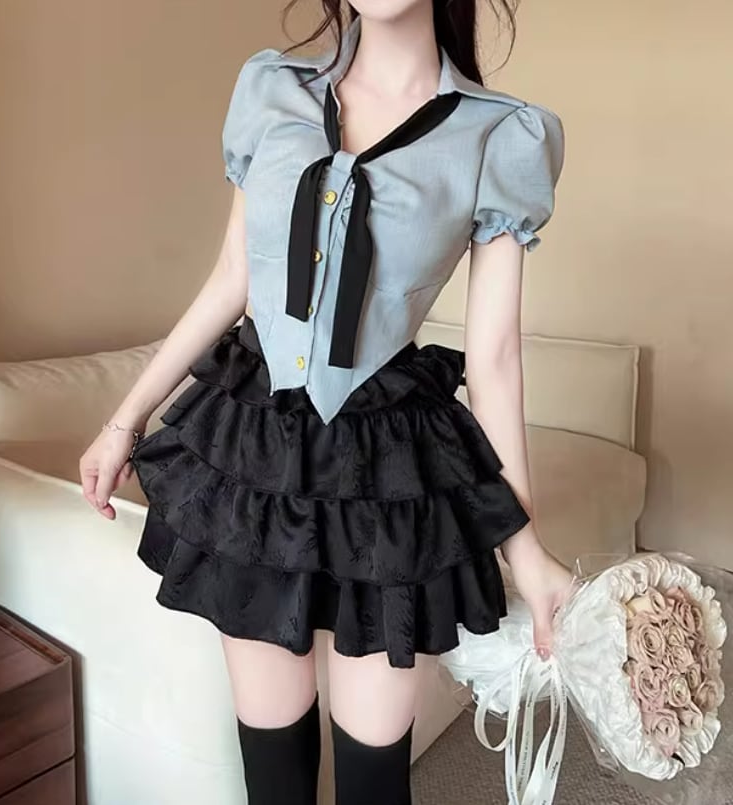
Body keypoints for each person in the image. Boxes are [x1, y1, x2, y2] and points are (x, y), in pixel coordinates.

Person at [79, 2, 575, 803]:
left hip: (385, 472)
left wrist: (523, 547)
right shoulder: (269, 88)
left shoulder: (499, 135)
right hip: (256, 454)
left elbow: (493, 361)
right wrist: (123, 420)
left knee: (374, 777)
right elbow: (231, 278)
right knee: (273, 773)